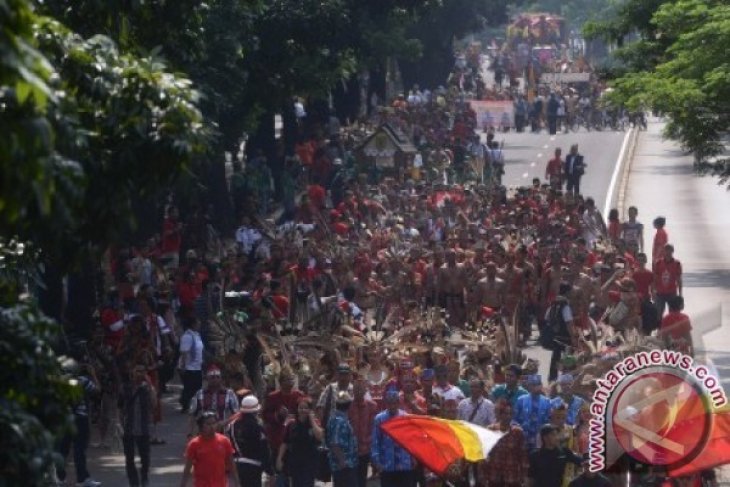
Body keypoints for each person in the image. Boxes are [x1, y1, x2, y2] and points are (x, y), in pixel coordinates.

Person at [56, 358, 102, 487]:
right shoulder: (82, 380)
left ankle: (60, 478)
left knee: (62, 449)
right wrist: (93, 374)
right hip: (80, 418)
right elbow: (97, 390)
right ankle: (82, 479)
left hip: (64, 419)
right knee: (79, 450)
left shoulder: (58, 382)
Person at [262, 369, 305, 487]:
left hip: (295, 441)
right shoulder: (273, 397)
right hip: (277, 439)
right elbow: (265, 415)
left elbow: (305, 412)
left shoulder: (299, 395)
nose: (290, 382)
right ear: (281, 382)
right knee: (279, 471)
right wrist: (277, 414)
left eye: (292, 379)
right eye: (287, 380)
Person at [181, 411, 239, 487]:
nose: (212, 426)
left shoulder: (224, 441)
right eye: (208, 424)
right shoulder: (194, 444)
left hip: (221, 484)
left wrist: (237, 483)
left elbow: (231, 463)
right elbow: (187, 468)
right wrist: (183, 484)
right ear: (201, 426)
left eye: (214, 423)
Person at [371, 390, 416, 487]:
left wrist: (413, 458)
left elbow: (411, 440)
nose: (392, 406)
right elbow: (375, 442)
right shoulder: (379, 419)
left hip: (404, 465)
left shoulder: (405, 418)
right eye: (389, 403)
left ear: (398, 403)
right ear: (386, 403)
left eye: (395, 403)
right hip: (387, 466)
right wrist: (377, 463)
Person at [120, 364, 155, 487]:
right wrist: (120, 423)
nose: (139, 374)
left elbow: (153, 404)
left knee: (145, 458)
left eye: (142, 371)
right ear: (132, 373)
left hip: (143, 428)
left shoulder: (147, 388)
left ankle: (144, 478)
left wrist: (150, 385)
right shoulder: (126, 387)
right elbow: (121, 405)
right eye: (137, 371)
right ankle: (133, 483)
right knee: (129, 459)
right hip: (129, 428)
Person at [277, 397, 324, 487]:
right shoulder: (291, 424)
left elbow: (320, 436)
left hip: (310, 463)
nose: (303, 410)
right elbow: (285, 442)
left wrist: (312, 420)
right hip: (295, 463)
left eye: (306, 408)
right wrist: (279, 458)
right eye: (301, 408)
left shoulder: (315, 423)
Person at [226, 396, 271, 487]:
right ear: (256, 411)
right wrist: (270, 470)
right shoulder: (258, 426)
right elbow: (264, 449)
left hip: (235, 466)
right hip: (253, 467)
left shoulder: (232, 425)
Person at [482, 399, 530, 487]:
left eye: (510, 413)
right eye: (505, 413)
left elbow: (523, 455)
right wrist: (483, 475)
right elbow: (485, 454)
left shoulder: (518, 432)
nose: (508, 416)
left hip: (512, 476)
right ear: (500, 415)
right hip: (494, 476)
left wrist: (524, 476)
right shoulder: (490, 430)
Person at [188, 365, 239, 436]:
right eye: (212, 377)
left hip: (223, 433)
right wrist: (190, 434)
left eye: (217, 377)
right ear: (207, 379)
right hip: (204, 434)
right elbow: (192, 414)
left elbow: (237, 414)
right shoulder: (200, 394)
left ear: (221, 379)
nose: (215, 379)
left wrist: (225, 422)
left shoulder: (229, 393)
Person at [348, 379, 378, 487]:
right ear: (353, 391)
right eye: (356, 389)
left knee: (362, 477)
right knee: (351, 478)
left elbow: (374, 427)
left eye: (361, 389)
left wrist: (369, 442)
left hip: (365, 447)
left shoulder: (372, 406)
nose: (359, 392)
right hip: (351, 448)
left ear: (365, 390)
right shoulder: (348, 406)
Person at [326, 391, 358, 487]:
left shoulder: (336, 418)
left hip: (345, 464)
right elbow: (335, 443)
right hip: (343, 466)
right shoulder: (339, 421)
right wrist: (342, 461)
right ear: (349, 405)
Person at [514, 375, 553, 450]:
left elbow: (549, 421)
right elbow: (514, 419)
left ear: (541, 385)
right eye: (533, 384)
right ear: (529, 386)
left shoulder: (547, 402)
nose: (536, 387)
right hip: (523, 440)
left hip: (540, 440)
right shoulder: (521, 400)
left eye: (538, 384)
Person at [179, 317, 204, 414]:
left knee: (197, 387)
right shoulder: (187, 336)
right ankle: (185, 405)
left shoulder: (197, 335)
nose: (199, 324)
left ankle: (196, 405)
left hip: (197, 366)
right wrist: (183, 366)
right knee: (189, 387)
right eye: (198, 323)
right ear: (193, 324)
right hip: (189, 367)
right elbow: (184, 352)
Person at [652, 243, 682, 320]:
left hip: (671, 293)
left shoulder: (677, 264)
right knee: (658, 314)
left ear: (673, 251)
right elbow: (654, 278)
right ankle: (660, 330)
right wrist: (653, 291)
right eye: (666, 250)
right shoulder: (658, 263)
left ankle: (671, 330)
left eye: (670, 250)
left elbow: (679, 279)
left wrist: (680, 293)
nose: (668, 252)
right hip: (660, 293)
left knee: (673, 314)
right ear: (663, 251)